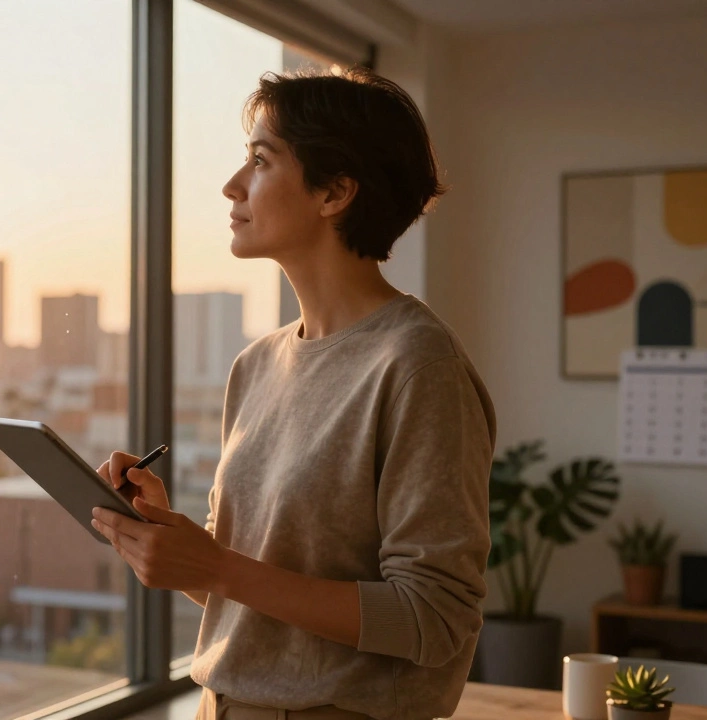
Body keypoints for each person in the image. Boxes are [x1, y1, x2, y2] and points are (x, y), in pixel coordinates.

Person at [91, 67, 496, 720]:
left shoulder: (419, 365)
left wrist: (219, 567)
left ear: (335, 191)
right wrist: (171, 539)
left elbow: (435, 617)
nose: (231, 185)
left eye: (259, 160)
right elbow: (256, 597)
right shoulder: (256, 365)